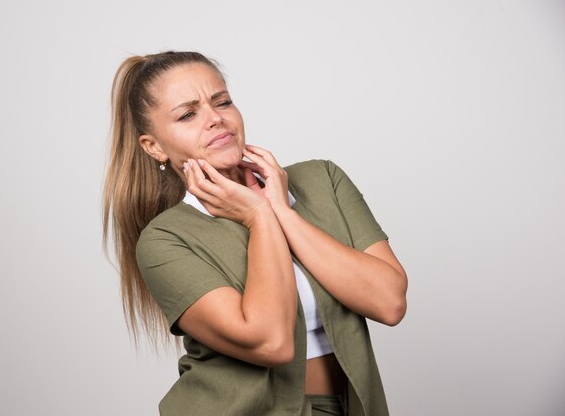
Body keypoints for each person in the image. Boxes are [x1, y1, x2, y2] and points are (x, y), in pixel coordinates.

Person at [102, 50, 408, 416]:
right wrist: (259, 216)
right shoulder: (166, 240)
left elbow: (389, 302)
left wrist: (283, 212)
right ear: (153, 146)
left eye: (223, 102)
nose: (215, 119)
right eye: (188, 114)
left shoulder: (321, 180)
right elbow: (271, 343)